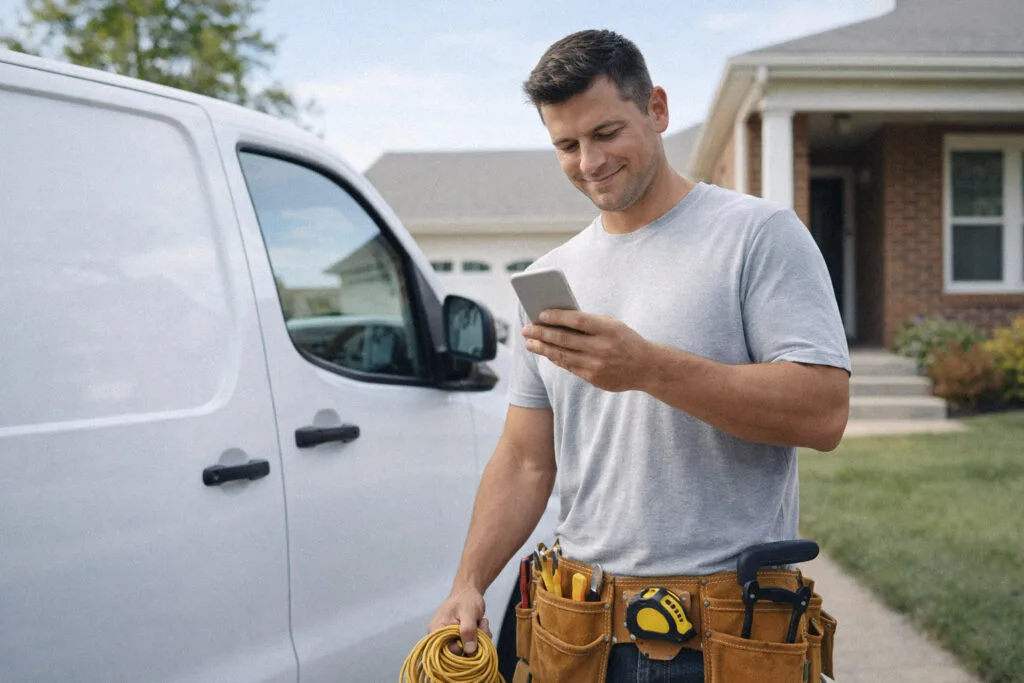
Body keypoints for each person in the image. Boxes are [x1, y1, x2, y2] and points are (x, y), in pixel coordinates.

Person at [427, 29, 850, 682]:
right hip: (579, 635)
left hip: (725, 637)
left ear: (656, 108)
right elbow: (525, 458)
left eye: (605, 132)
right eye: (566, 145)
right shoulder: (550, 276)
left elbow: (822, 412)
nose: (589, 161)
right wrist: (468, 580)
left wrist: (650, 369)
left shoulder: (757, 236)